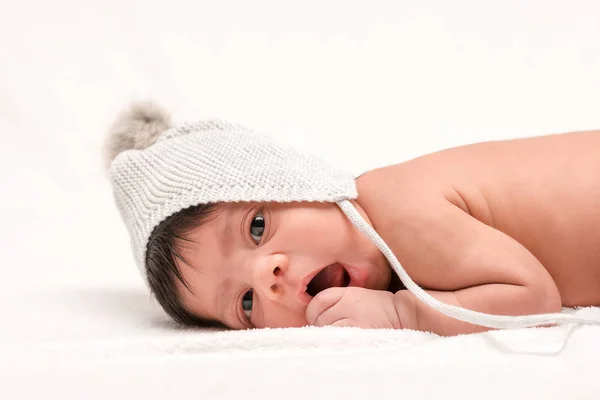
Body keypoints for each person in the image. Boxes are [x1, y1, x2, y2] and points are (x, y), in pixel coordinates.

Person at [105, 102, 600, 336]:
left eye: (257, 227)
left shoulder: (400, 212)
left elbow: (532, 297)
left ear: (301, 182)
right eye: (246, 303)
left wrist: (403, 315)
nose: (266, 274)